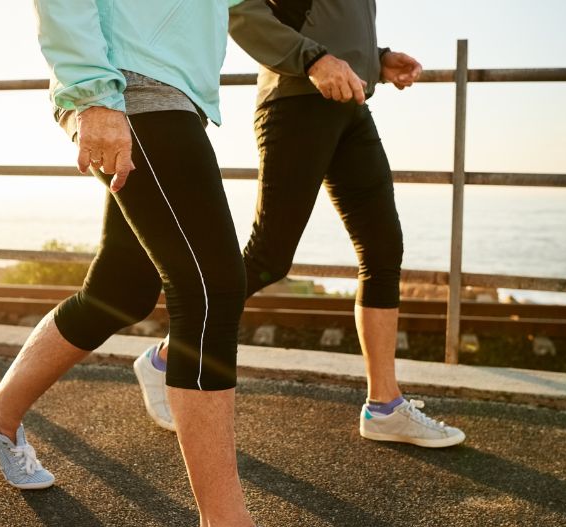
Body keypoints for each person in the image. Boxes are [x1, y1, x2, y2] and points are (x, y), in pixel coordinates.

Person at [0, 0, 342, 527]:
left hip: (171, 91)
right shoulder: (115, 91)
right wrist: (91, 95)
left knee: (120, 290)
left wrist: (357, 55)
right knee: (211, 290)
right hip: (130, 88)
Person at [135, 0, 466, 449]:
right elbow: (241, 10)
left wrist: (376, 57)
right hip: (296, 103)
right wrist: (313, 59)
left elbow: (331, 15)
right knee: (269, 257)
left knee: (384, 250)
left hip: (350, 104)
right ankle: (167, 357)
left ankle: (384, 407)